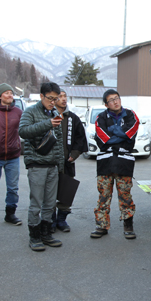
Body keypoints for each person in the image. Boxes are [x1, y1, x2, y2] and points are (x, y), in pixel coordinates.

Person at [19, 82, 64, 251]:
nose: (53, 102)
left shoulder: (54, 113)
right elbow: (23, 131)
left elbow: (58, 142)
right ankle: (34, 236)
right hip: (37, 164)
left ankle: (46, 233)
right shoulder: (30, 111)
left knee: (50, 203)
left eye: (56, 98)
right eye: (50, 98)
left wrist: (60, 164)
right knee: (36, 202)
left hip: (53, 165)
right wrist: (48, 124)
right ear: (41, 96)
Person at [91, 89, 139, 240]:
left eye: (117, 98)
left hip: (124, 161)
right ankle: (101, 225)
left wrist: (117, 133)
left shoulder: (131, 115)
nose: (116, 101)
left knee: (125, 195)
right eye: (111, 100)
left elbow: (130, 134)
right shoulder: (101, 117)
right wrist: (121, 135)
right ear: (106, 104)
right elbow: (103, 139)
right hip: (105, 161)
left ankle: (128, 224)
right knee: (103, 195)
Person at [51, 89, 88, 232]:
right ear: (53, 99)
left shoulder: (73, 118)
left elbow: (80, 138)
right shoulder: (48, 116)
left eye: (64, 96)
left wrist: (75, 154)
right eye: (59, 96)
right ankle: (51, 221)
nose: (63, 99)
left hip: (67, 161)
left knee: (66, 192)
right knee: (50, 193)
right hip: (51, 162)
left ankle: (62, 220)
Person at [0, 83, 23, 226]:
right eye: (7, 93)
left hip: (13, 156)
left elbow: (24, 130)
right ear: (0, 95)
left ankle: (10, 214)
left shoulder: (18, 112)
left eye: (11, 92)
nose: (10, 95)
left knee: (13, 188)